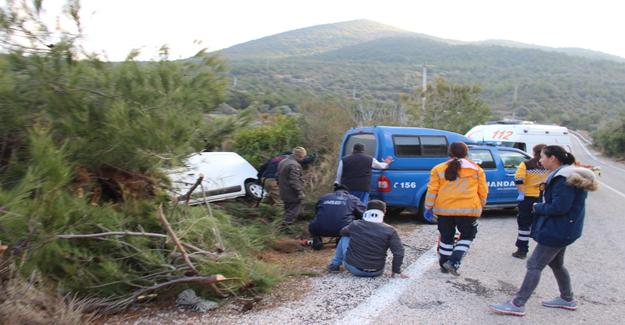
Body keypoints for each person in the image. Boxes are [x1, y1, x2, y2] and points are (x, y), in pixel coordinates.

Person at [489, 145, 598, 316]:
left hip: (558, 229)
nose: (540, 160)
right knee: (556, 263)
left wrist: (537, 207)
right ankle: (567, 298)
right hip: (566, 228)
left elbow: (559, 207)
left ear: (553, 158)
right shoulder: (567, 174)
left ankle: (517, 304)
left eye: (542, 157)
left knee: (534, 264)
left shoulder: (563, 179)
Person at [423, 142, 488, 276]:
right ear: (466, 153)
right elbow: (483, 191)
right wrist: (481, 204)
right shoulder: (476, 169)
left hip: (444, 210)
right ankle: (454, 261)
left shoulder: (438, 169)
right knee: (468, 235)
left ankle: (444, 264)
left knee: (446, 237)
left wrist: (428, 207)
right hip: (468, 209)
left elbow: (432, 190)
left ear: (449, 152)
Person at [327, 200, 407, 278]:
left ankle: (334, 265)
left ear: (366, 211)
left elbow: (342, 232)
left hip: (354, 269)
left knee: (345, 236)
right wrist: (395, 270)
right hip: (377, 271)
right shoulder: (390, 230)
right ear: (384, 212)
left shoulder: (356, 225)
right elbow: (399, 252)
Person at [512, 144, 550, 259]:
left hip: (527, 198)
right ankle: (544, 252)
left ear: (534, 152)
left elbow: (518, 179)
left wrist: (521, 192)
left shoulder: (526, 164)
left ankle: (522, 250)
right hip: (543, 198)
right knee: (542, 224)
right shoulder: (548, 166)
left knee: (524, 224)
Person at [308, 184, 366, 250]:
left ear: (335, 191)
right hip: (342, 229)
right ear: (347, 191)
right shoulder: (353, 199)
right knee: (354, 223)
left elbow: (317, 212)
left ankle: (317, 239)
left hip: (319, 228)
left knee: (316, 222)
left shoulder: (324, 197)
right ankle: (341, 239)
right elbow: (364, 214)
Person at [277, 146, 307, 226]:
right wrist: (300, 192)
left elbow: (277, 176)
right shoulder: (294, 165)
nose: (303, 159)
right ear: (299, 156)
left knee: (287, 209)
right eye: (303, 157)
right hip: (291, 193)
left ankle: (284, 225)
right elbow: (294, 180)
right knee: (293, 211)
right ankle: (286, 227)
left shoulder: (283, 161)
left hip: (283, 190)